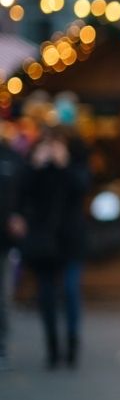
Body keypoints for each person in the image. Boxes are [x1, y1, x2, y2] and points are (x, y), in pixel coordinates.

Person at [20, 125, 90, 369]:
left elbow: (82, 187)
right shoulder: (35, 165)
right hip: (44, 241)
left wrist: (64, 165)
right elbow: (22, 193)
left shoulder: (75, 163)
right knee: (46, 294)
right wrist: (35, 167)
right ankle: (52, 347)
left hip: (70, 239)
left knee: (71, 290)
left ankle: (71, 343)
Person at [0, 124, 26, 371]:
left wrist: (18, 215)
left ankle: (2, 342)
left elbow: (25, 195)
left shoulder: (13, 160)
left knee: (3, 294)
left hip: (4, 240)